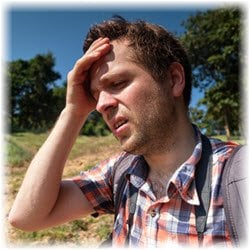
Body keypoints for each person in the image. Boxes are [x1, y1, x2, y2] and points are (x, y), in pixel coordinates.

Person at [9, 16, 239, 247]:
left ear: (174, 79)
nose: (100, 105)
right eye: (96, 95)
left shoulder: (237, 179)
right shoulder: (120, 173)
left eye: (117, 83)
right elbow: (26, 216)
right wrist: (73, 111)